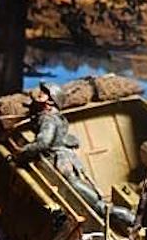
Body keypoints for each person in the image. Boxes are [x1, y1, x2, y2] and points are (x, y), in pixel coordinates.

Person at [16, 82, 135, 229]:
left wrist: (21, 154)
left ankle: (123, 216)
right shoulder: (54, 116)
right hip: (66, 159)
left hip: (61, 161)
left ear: (50, 100)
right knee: (79, 189)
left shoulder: (48, 119)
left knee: (84, 196)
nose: (39, 94)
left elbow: (43, 143)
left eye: (44, 93)